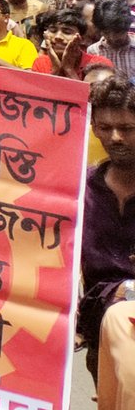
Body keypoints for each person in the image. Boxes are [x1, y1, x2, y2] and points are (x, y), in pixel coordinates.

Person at [80, 75, 135, 378]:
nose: (115, 137)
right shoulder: (79, 190)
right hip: (99, 338)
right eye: (105, 128)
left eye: (127, 129)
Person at [33, 8, 113, 79]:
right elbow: (39, 95)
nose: (58, 37)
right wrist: (56, 70)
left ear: (82, 38)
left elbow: (94, 96)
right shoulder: (40, 63)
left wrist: (69, 69)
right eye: (53, 31)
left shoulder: (99, 64)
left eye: (67, 32)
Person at [89, 0, 135, 79]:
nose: (112, 38)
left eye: (118, 32)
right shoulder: (93, 51)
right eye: (106, 32)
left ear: (127, 27)